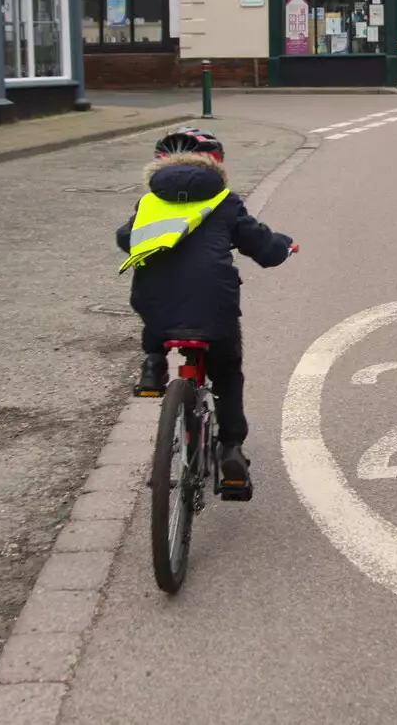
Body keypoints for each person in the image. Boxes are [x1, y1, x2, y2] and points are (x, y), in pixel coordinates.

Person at [116, 127, 296, 500]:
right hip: (214, 303)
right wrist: (284, 247)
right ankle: (230, 450)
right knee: (227, 372)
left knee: (155, 303)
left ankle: (153, 365)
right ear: (216, 164)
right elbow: (260, 244)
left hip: (156, 302)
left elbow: (125, 238)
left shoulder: (150, 201)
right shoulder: (225, 202)